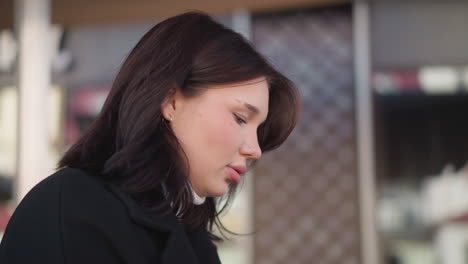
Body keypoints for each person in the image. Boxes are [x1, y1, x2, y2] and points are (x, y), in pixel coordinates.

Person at [0, 11, 300, 263]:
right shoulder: (76, 209)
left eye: (259, 132)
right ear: (170, 101)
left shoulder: (187, 230)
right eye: (240, 118)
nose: (255, 150)